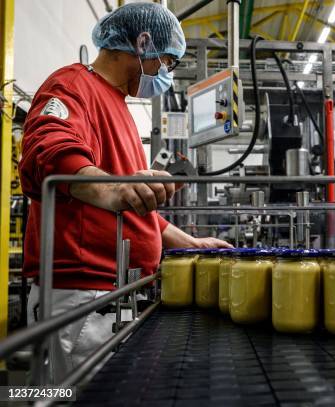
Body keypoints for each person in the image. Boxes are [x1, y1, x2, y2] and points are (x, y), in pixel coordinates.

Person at [18, 3, 231, 382]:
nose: (165, 74)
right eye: (166, 62)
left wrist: (190, 243)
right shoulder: (71, 86)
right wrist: (115, 188)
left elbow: (130, 203)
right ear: (142, 43)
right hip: (82, 297)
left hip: (112, 293)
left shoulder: (118, 105)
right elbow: (47, 153)